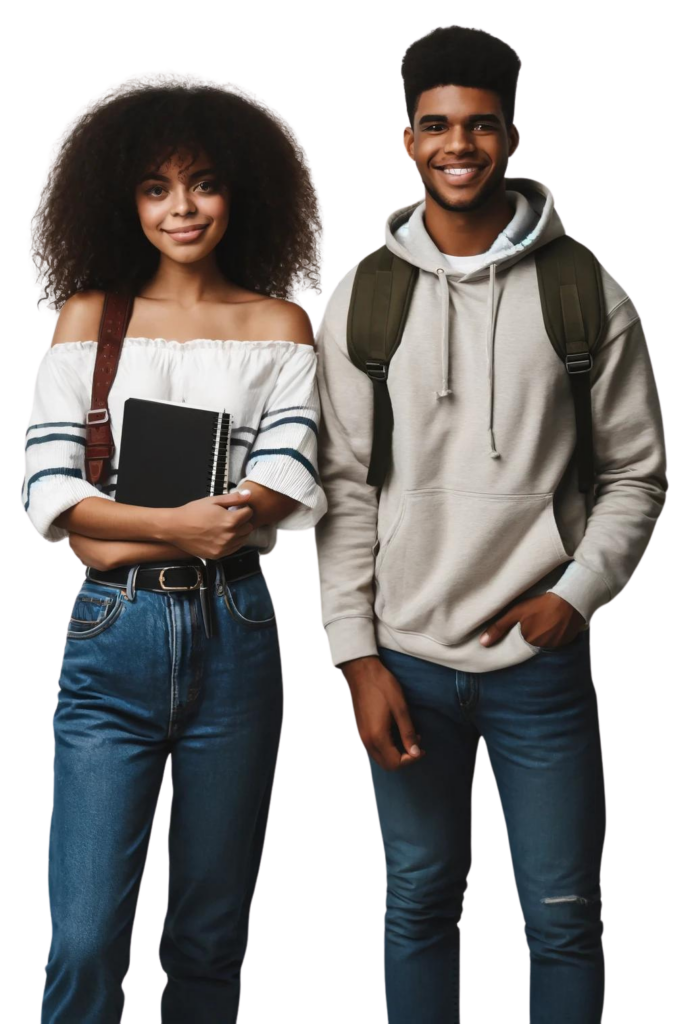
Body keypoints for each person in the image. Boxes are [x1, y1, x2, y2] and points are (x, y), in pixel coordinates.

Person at [313, 24, 667, 1024]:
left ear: (511, 136)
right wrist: (355, 659)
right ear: (405, 140)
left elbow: (636, 472)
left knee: (560, 918)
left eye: (477, 125)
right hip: (405, 664)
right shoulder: (360, 301)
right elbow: (339, 491)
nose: (455, 145)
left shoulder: (582, 291)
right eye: (434, 126)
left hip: (538, 671)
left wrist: (575, 591)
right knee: (417, 905)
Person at [24, 85, 327, 1023]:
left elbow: (284, 474)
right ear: (126, 201)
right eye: (157, 189)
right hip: (111, 640)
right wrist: (178, 527)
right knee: (81, 940)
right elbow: (47, 494)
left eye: (202, 185)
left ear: (241, 197)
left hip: (237, 635)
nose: (182, 208)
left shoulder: (281, 325)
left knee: (208, 940)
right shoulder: (88, 320)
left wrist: (116, 528)